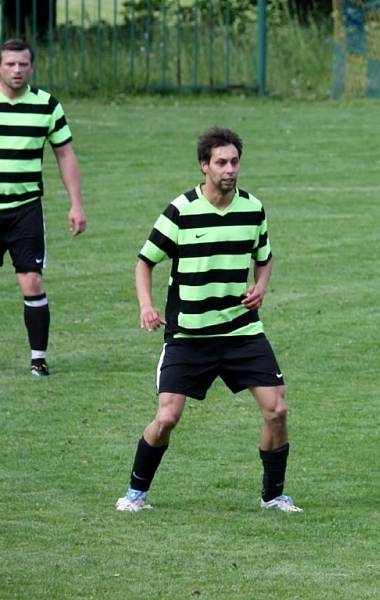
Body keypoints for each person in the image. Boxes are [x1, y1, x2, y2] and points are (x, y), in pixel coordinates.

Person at [115, 127, 301, 514]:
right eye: (221, 162)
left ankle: (273, 496)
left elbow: (264, 257)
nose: (229, 169)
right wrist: (146, 306)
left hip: (241, 331)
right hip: (189, 335)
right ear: (204, 166)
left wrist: (261, 286)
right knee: (167, 418)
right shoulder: (181, 210)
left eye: (234, 162)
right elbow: (145, 261)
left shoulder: (253, 209)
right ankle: (135, 493)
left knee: (277, 411)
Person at [0, 38, 86, 376]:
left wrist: (76, 204)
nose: (17, 70)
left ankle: (38, 358)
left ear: (31, 67)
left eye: (23, 64)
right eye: (10, 64)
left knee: (32, 280)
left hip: (25, 209)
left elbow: (64, 154)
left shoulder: (47, 105)